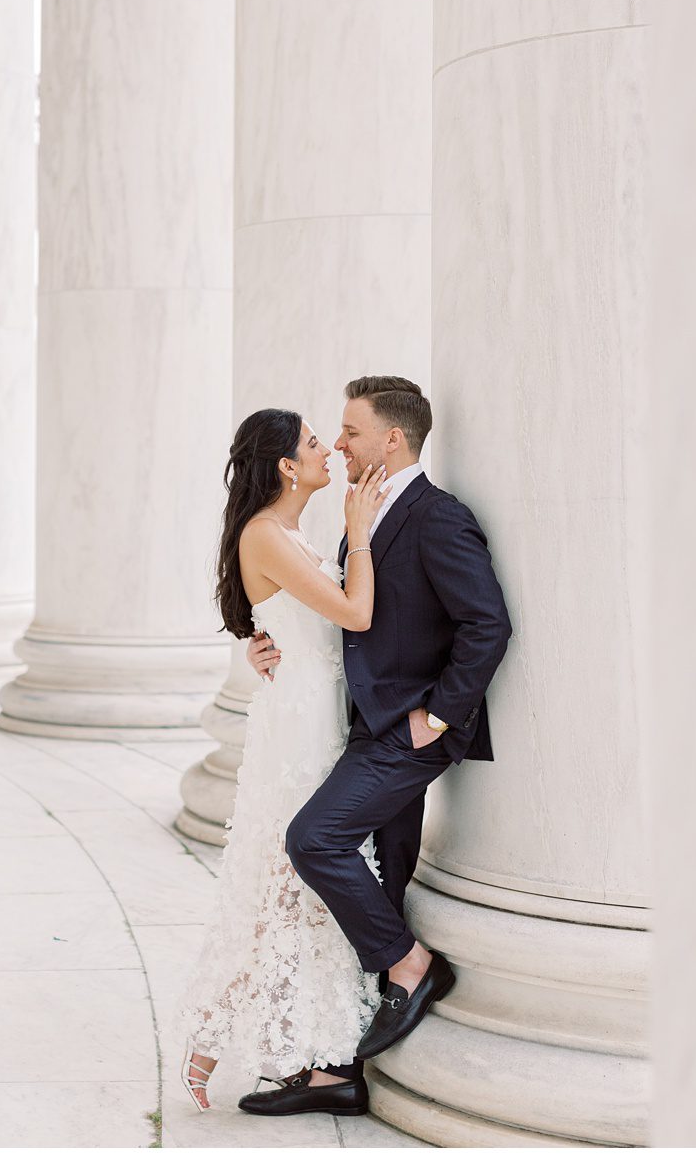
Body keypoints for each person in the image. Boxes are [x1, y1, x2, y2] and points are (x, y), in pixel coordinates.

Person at [248, 377, 510, 1097]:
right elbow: (341, 613)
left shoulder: (438, 516)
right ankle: (341, 1069)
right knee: (382, 881)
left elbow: (488, 623)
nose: (338, 443)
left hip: (408, 732)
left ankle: (412, 965)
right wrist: (270, 646)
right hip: (362, 726)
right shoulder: (361, 515)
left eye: (350, 430)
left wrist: (440, 715)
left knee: (314, 839)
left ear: (390, 440)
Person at [175, 409, 386, 1117]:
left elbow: (300, 621)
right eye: (312, 442)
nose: (327, 447)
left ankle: (320, 1049)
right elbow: (355, 614)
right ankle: (219, 1033)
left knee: (302, 888)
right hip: (299, 732)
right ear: (287, 467)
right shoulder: (266, 533)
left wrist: (261, 641)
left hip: (316, 714)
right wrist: (360, 533)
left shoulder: (286, 534)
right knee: (280, 887)